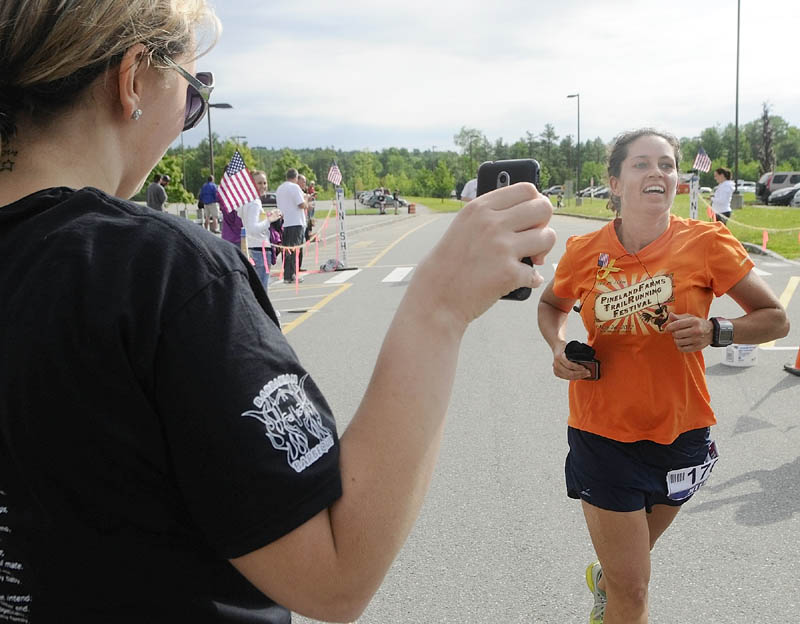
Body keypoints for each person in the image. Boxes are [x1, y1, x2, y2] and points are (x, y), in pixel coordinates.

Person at [0, 3, 557, 622]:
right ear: (132, 79)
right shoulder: (158, 271)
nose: (189, 117)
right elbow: (334, 574)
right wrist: (439, 307)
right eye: (193, 94)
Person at [536, 128, 789, 624]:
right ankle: (615, 589)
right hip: (601, 433)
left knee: (627, 566)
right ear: (614, 182)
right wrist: (557, 345)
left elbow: (775, 319)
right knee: (635, 588)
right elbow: (551, 304)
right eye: (642, 164)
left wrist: (718, 330)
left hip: (682, 432)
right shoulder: (584, 250)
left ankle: (606, 578)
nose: (658, 172)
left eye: (668, 165)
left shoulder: (707, 242)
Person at [242, 170, 282, 294]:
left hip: (252, 248)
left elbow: (246, 220)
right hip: (260, 249)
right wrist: (269, 220)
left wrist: (267, 216)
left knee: (254, 287)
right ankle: (264, 312)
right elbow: (253, 228)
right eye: (259, 183)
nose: (263, 186)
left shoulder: (246, 201)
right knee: (261, 288)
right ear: (252, 184)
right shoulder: (254, 203)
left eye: (265, 183)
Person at [276, 168, 307, 283]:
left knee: (287, 250)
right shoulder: (295, 187)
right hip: (295, 222)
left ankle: (287, 274)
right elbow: (301, 204)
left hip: (284, 222)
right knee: (294, 250)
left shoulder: (280, 188)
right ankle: (293, 274)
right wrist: (307, 201)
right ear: (296, 177)